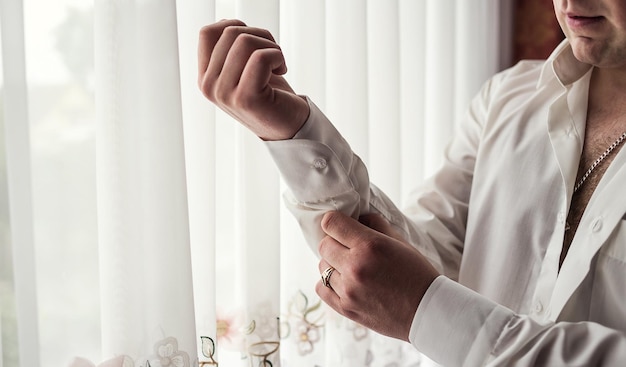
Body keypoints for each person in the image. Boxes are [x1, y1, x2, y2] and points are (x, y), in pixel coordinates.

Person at [197, 0, 626, 365]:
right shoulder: (508, 98)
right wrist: (295, 134)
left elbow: (420, 293)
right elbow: (414, 260)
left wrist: (426, 309)